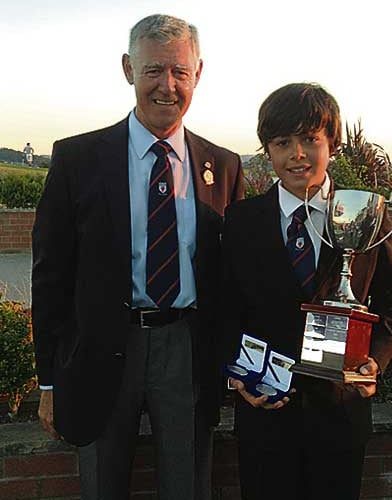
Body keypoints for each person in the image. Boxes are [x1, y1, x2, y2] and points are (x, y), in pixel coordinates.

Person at [32, 14, 244, 500]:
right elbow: (50, 277)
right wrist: (49, 382)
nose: (167, 86)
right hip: (103, 348)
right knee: (102, 486)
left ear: (197, 73)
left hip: (186, 349)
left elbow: (232, 278)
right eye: (153, 70)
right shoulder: (77, 160)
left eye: (179, 72)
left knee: (187, 486)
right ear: (129, 69)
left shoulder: (223, 166)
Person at [221, 83, 392, 500]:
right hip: (266, 413)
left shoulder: (366, 215)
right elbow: (225, 308)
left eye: (310, 139)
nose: (297, 154)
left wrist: (374, 363)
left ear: (333, 144)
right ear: (267, 150)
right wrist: (236, 375)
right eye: (282, 143)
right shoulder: (241, 220)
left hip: (340, 415)